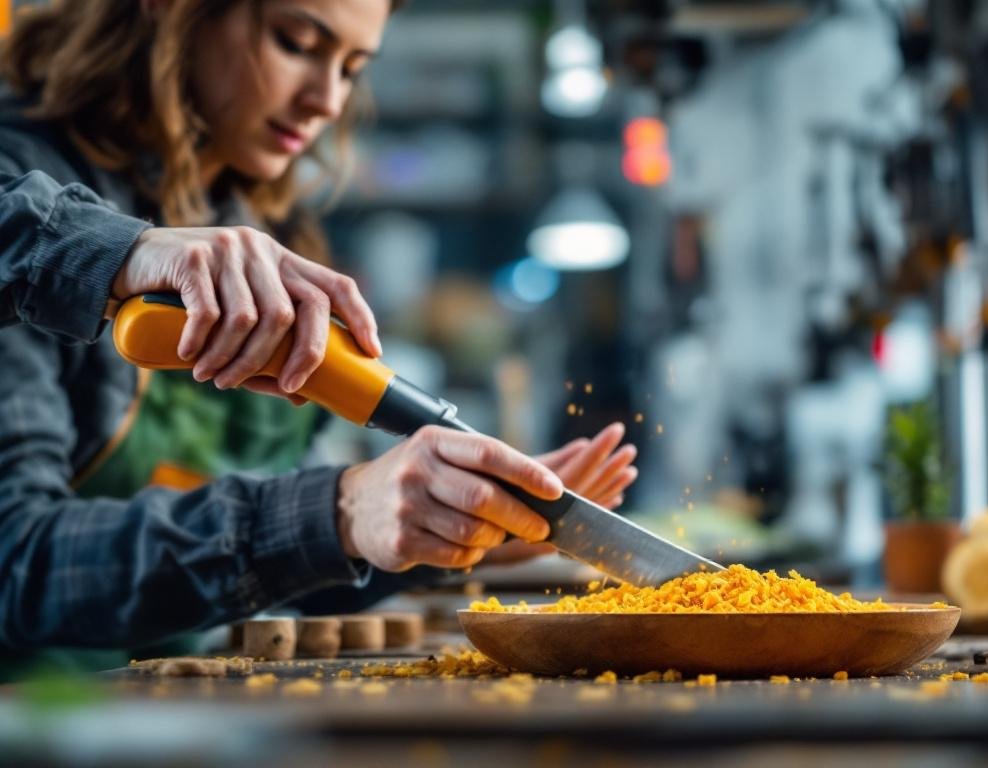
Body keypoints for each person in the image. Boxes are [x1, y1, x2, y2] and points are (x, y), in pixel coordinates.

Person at [0, 0, 638, 667]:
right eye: (297, 42)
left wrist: (424, 529)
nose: (327, 100)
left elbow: (270, 573)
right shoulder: (20, 182)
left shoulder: (256, 230)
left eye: (352, 68)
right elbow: (17, 567)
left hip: (175, 706)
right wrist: (336, 511)